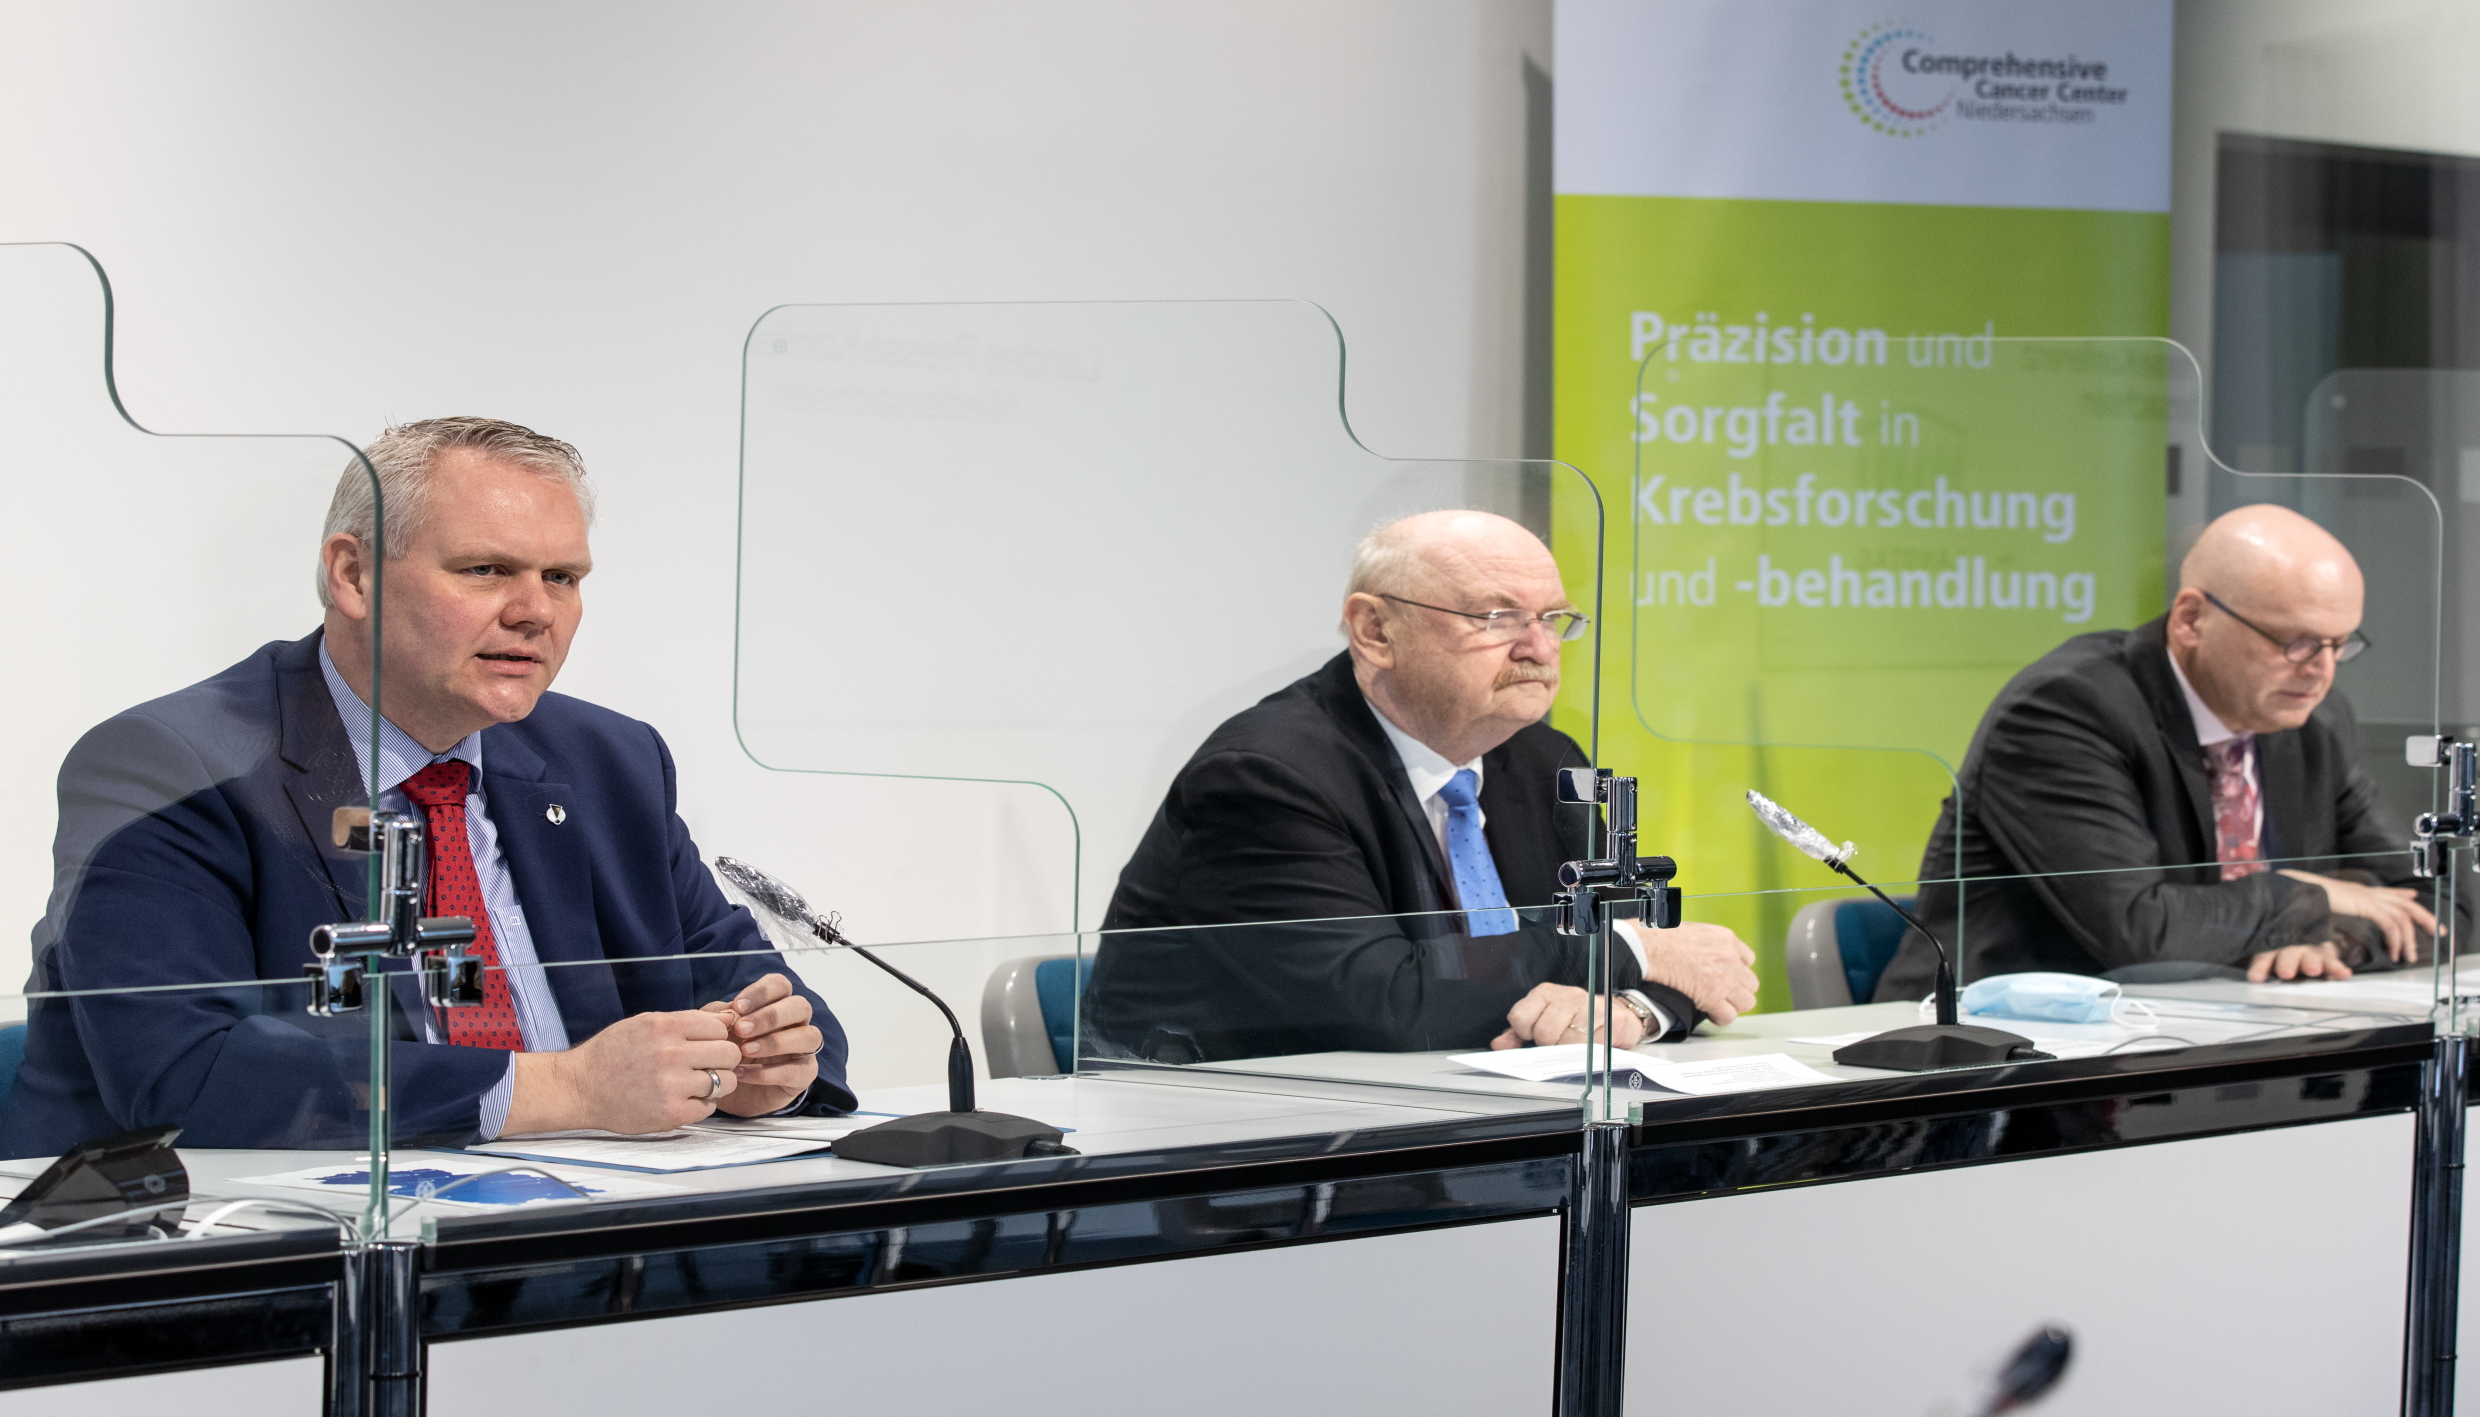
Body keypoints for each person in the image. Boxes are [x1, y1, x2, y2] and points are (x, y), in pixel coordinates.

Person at [0, 418, 853, 1154]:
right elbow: (187, 1070)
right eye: (486, 570)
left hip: (580, 1245)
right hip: (213, 1276)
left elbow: (780, 1009)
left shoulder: (610, 761)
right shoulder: (174, 764)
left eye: (563, 577)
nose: (536, 611)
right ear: (353, 575)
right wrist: (565, 1090)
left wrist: (764, 1065)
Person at [1087, 510, 1760, 1062]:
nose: (1539, 647)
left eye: (1552, 618)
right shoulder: (1264, 778)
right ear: (1375, 629)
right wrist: (1632, 955)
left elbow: (1672, 961)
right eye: (1497, 617)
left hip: (1476, 1109)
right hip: (1240, 1148)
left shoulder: (1544, 758)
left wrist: (1633, 1011)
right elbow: (1386, 1002)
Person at [1875, 503, 2452, 1001]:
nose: (2321, 671)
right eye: (2294, 642)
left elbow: (2444, 905)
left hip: (2221, 1035)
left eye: (2338, 643)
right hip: (2007, 1060)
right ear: (2191, 619)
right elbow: (2140, 933)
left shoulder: (2313, 722)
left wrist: (2332, 938)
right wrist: (2311, 894)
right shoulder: (2066, 710)